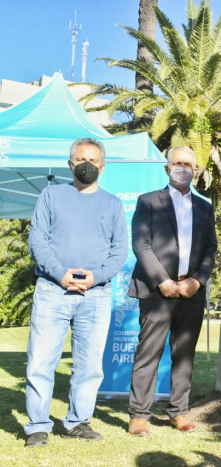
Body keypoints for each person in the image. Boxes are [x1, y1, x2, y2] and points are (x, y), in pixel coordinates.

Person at [24, 138, 128, 447]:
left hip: (95, 295)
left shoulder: (113, 204)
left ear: (102, 166)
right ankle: (38, 426)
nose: (86, 165)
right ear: (70, 164)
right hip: (52, 290)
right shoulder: (50, 195)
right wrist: (61, 273)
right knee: (41, 362)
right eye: (80, 159)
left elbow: (119, 251)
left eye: (93, 160)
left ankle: (77, 421)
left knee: (90, 366)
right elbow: (38, 241)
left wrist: (95, 277)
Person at [127, 147, 217, 436]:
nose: (182, 168)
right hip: (156, 291)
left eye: (188, 164)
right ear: (167, 168)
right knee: (148, 352)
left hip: (191, 292)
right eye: (177, 163)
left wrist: (198, 281)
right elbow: (141, 244)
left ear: (196, 170)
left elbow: (210, 249)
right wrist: (162, 280)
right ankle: (139, 414)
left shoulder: (205, 207)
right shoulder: (148, 201)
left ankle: (179, 411)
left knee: (184, 354)